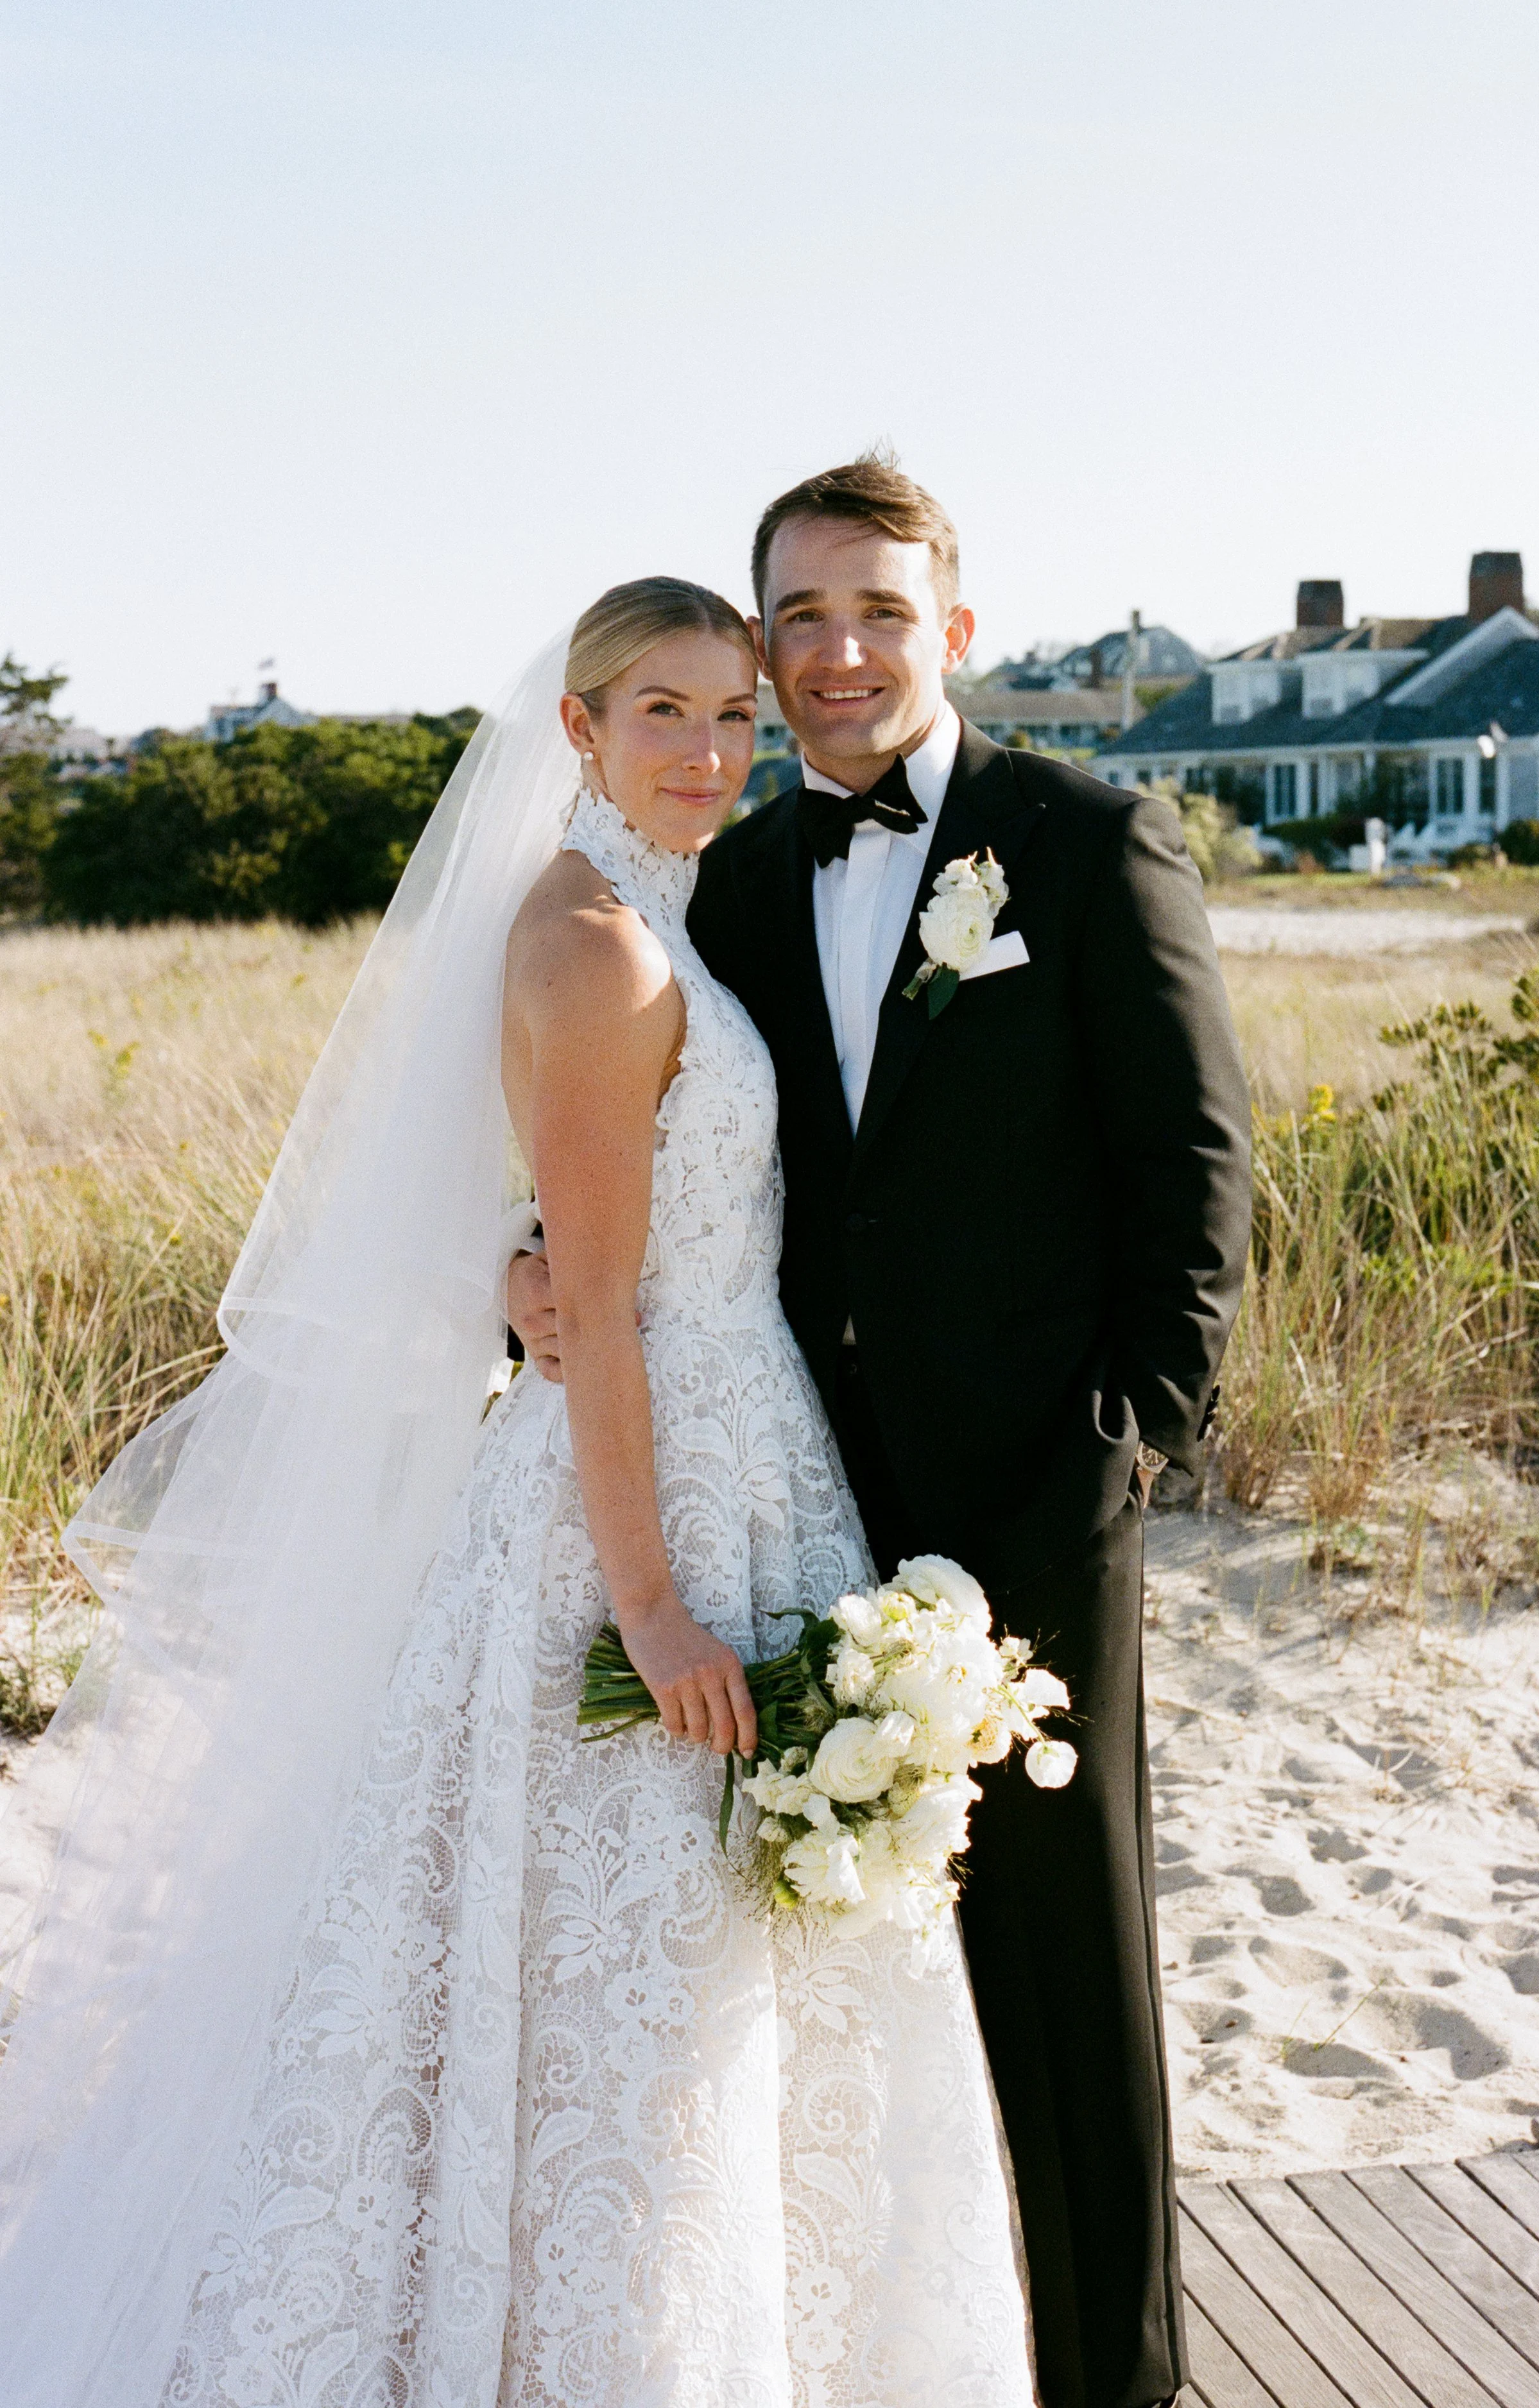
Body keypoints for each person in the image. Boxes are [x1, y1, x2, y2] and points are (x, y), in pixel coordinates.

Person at [0, 580, 1034, 2408]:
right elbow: (615, 1330)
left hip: (740, 1449)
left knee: (662, 1968)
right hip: (641, 1498)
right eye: (664, 713)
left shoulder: (633, 909)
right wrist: (645, 1606)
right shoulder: (599, 946)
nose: (711, 751)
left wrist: (507, 1262)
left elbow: (560, 1225)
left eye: (732, 715)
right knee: (633, 1977)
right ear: (579, 727)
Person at [512, 463, 1254, 2408]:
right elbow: (651, 1157)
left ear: (957, 633)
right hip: (791, 1487)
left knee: (1056, 1948)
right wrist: (524, 1281)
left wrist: (1121, 1451)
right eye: (800, 620)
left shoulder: (1086, 841)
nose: (835, 655)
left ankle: (1113, 2377)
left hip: (1032, 1489)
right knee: (827, 1965)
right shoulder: (733, 877)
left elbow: (1192, 1173)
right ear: (762, 637)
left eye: (878, 614)